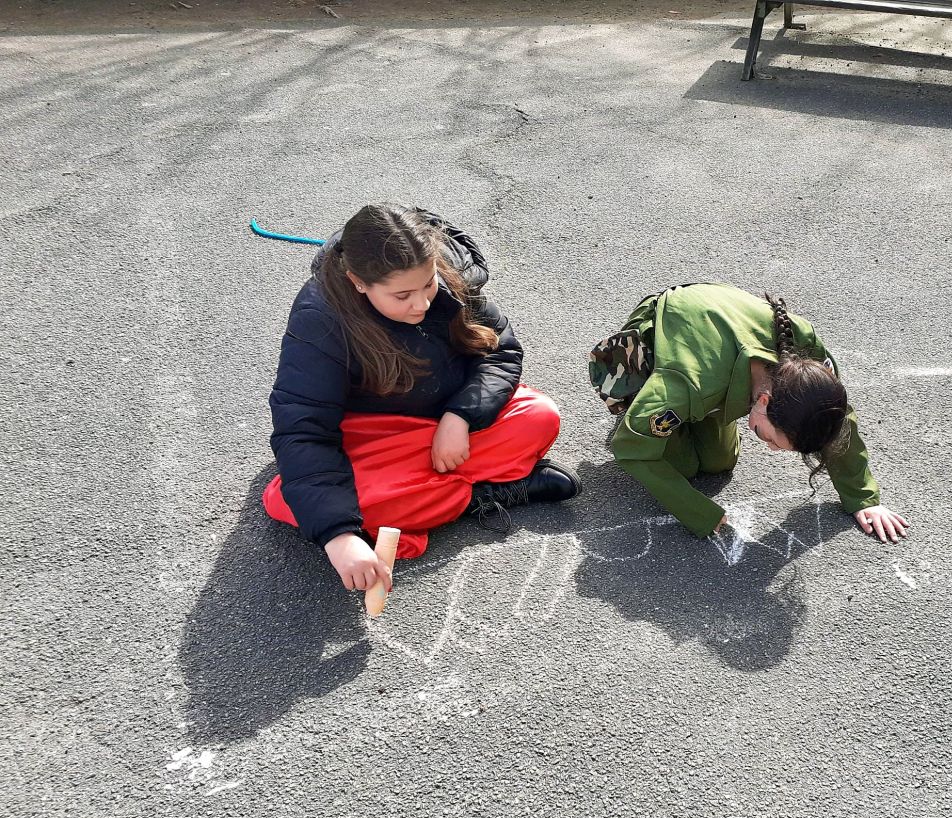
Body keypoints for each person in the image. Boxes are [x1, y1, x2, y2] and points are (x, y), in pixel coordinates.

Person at [264, 203, 581, 592]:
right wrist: (340, 537)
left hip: (444, 424)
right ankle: (476, 496)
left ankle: (417, 499)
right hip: (379, 435)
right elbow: (304, 430)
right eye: (402, 296)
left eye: (428, 284)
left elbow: (501, 350)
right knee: (288, 501)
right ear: (358, 282)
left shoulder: (450, 274)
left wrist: (461, 415)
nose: (422, 304)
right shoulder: (321, 318)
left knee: (539, 416)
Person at [590, 283, 908, 543]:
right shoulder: (686, 383)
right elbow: (630, 447)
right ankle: (646, 405)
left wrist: (863, 498)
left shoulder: (805, 352)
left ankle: (694, 419)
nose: (772, 449)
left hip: (717, 347)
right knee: (682, 466)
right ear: (764, 401)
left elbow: (833, 417)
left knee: (718, 462)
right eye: (772, 439)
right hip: (665, 333)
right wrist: (699, 512)